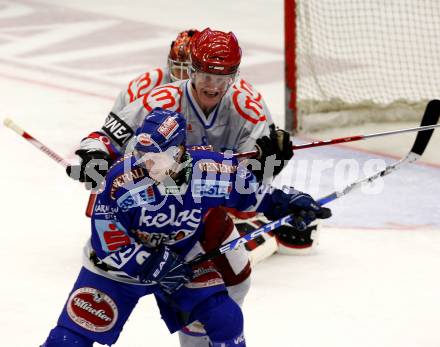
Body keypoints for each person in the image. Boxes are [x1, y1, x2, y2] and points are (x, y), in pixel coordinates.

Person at [43, 108, 331, 347]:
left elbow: (252, 195)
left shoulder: (209, 170)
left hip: (180, 261)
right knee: (69, 339)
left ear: (180, 151)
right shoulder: (122, 180)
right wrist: (153, 265)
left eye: (158, 158)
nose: (148, 166)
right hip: (116, 270)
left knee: (225, 317)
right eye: (144, 156)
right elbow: (109, 242)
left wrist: (288, 204)